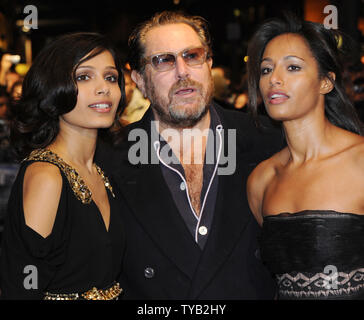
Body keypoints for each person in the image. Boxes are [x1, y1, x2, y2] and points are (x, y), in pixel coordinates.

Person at [96, 11, 283, 299]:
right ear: (140, 81)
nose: (182, 71)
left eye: (192, 56)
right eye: (164, 61)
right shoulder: (106, 160)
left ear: (209, 64)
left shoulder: (268, 143)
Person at [0, 32, 126, 300]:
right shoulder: (47, 176)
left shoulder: (101, 170)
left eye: (111, 77)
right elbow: (22, 288)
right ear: (54, 88)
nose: (103, 87)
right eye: (84, 77)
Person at [246, 15, 364, 300]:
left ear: (325, 82)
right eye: (265, 70)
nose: (274, 79)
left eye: (293, 67)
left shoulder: (360, 161)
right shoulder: (261, 179)